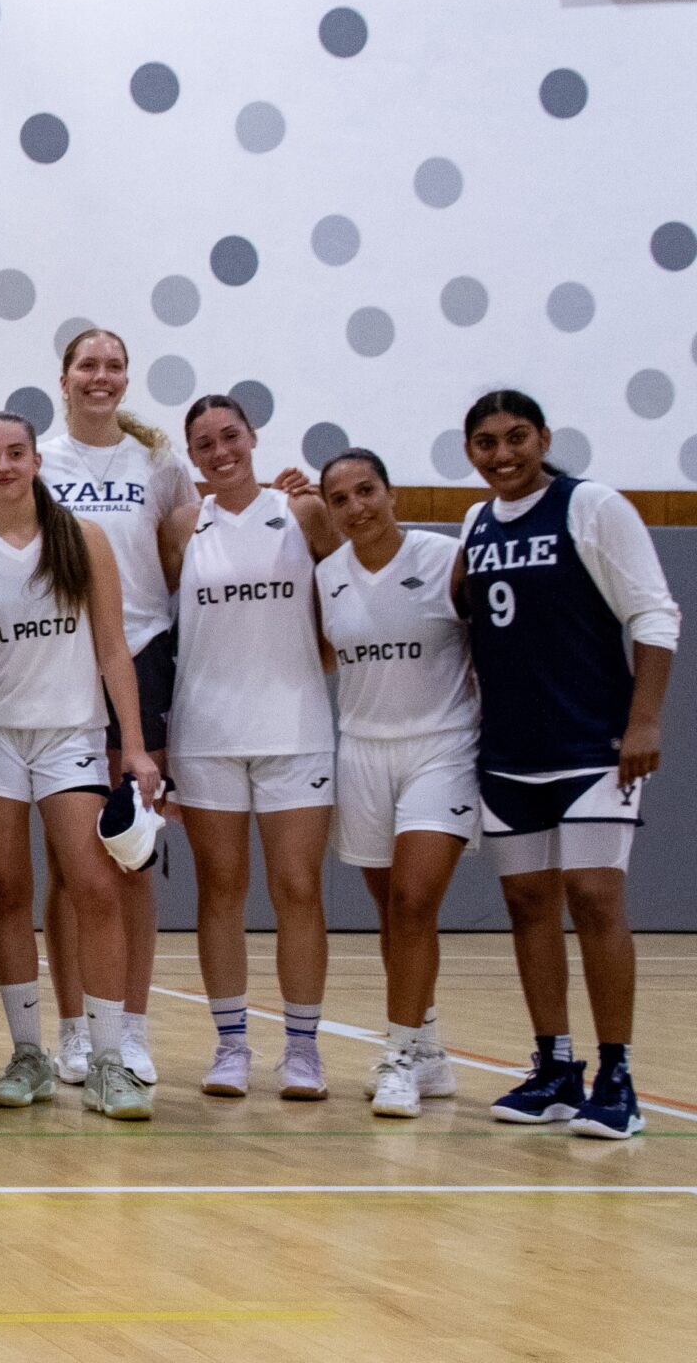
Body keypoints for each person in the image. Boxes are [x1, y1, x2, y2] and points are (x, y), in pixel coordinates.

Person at [455, 391, 676, 1140]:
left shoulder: (592, 506)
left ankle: (617, 1074)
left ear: (544, 437)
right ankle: (555, 1065)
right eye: (486, 443)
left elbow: (654, 613)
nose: (503, 454)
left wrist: (643, 718)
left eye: (517, 438)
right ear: (470, 453)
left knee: (592, 896)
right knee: (526, 907)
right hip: (513, 752)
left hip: (592, 748)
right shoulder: (475, 523)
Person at [0, 412, 163, 1121]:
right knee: (6, 891)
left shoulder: (80, 538)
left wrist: (133, 743)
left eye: (14, 453)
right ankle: (27, 1053)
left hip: (69, 735)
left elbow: (113, 649)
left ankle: (107, 1060)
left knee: (94, 885)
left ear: (36, 461)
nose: (2, 466)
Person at [34, 328, 193, 1087]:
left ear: (126, 378)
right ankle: (72, 1029)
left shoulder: (159, 464)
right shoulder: (38, 460)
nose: (101, 377)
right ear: (63, 377)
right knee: (73, 865)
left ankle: (129, 1030)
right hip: (66, 661)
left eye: (114, 366)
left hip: (145, 658)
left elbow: (177, 560)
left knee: (132, 855)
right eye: (87, 365)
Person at [172, 396, 343, 1101]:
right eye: (205, 443)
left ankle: (302, 1050)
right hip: (207, 734)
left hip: (295, 730)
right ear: (191, 456)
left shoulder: (302, 513)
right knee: (221, 889)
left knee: (298, 888)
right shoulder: (182, 525)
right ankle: (231, 1045)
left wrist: (310, 661)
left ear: (252, 438)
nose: (220, 451)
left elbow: (352, 594)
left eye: (230, 437)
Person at [315, 448, 476, 1118]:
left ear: (391, 491)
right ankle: (430, 1047)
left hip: (442, 749)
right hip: (362, 753)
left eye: (367, 490)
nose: (358, 507)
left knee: (414, 903)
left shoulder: (447, 560)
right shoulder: (326, 576)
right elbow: (319, 659)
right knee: (393, 915)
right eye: (341, 498)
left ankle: (401, 1056)